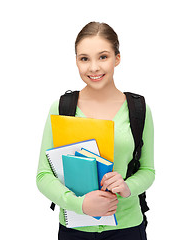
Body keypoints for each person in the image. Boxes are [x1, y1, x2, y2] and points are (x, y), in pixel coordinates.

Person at [36, 21, 155, 240]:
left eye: (103, 57)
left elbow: (148, 170)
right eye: (84, 59)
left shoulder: (138, 109)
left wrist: (127, 186)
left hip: (127, 228)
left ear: (117, 58)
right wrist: (80, 204)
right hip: (74, 230)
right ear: (76, 62)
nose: (93, 68)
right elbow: (43, 175)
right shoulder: (62, 108)